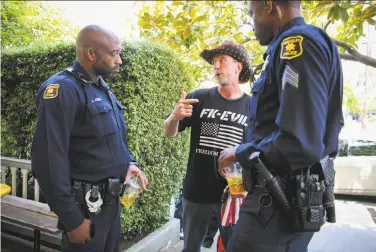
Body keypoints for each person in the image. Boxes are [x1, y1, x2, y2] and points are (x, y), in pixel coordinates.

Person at [218, 1, 344, 251]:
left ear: (269, 6)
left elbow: (300, 142)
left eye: (252, 13)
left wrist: (238, 153)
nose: (252, 23)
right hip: (290, 202)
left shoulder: (297, 45)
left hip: (275, 208)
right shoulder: (315, 42)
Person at [31, 25, 149, 252]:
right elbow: (48, 160)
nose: (120, 60)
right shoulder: (62, 89)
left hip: (111, 207)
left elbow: (113, 140)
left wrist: (129, 163)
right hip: (85, 208)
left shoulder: (100, 88)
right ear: (91, 54)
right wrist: (71, 219)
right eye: (114, 53)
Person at [164, 42, 253, 252]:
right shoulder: (200, 98)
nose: (216, 66)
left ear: (238, 67)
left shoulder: (252, 106)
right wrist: (174, 117)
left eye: (222, 61)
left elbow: (255, 150)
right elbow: (169, 132)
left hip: (234, 194)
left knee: (233, 247)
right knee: (191, 248)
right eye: (214, 62)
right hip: (197, 193)